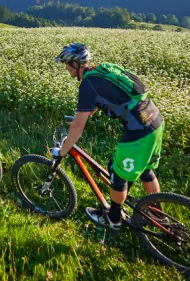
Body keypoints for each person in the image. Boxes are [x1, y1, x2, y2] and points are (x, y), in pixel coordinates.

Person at [52, 42, 165, 230]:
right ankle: (156, 214)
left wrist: (63, 151)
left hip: (139, 129)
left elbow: (78, 127)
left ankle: (113, 219)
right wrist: (83, 116)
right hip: (155, 121)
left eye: (66, 64)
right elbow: (111, 95)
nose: (66, 68)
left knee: (117, 173)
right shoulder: (103, 69)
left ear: (75, 65)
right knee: (145, 169)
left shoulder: (87, 84)